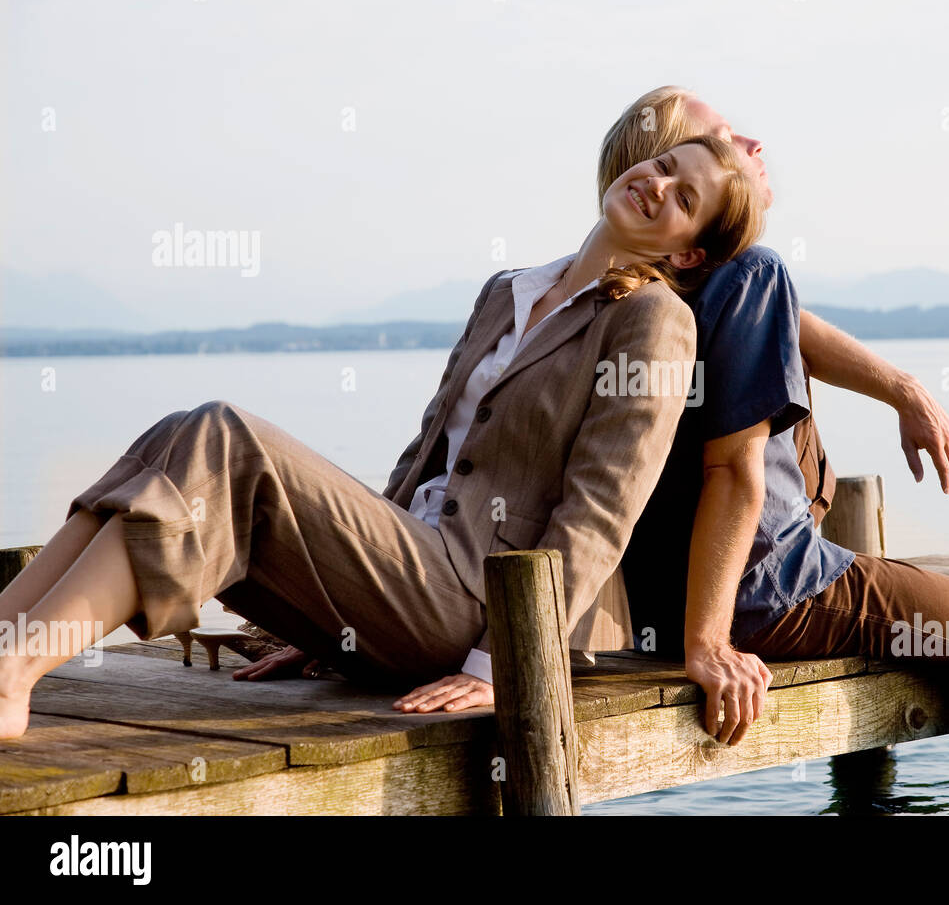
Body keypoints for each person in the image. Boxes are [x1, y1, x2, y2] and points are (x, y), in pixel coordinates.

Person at [0, 133, 766, 739]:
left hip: (481, 605)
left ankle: (16, 678)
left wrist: (502, 663)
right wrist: (331, 603)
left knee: (223, 437)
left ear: (685, 252)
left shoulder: (653, 320)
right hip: (410, 575)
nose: (657, 183)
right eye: (663, 164)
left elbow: (604, 506)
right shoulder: (508, 292)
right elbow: (423, 455)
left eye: (682, 196)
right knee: (178, 434)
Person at [609, 87, 949, 815]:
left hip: (660, 601)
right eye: (723, 140)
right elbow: (736, 477)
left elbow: (791, 326)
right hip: (773, 589)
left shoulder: (632, 290)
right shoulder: (750, 275)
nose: (751, 146)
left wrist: (903, 389)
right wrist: (707, 643)